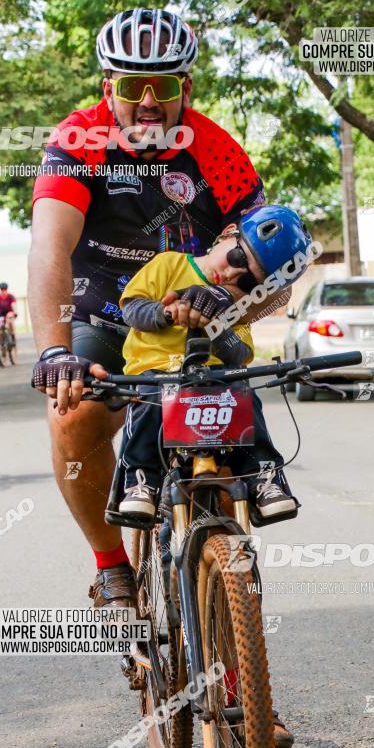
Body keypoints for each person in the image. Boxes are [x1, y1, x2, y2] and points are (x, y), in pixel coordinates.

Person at [29, 8, 282, 613]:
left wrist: (234, 301)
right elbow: (49, 247)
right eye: (130, 86)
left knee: (236, 410)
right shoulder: (78, 140)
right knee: (73, 416)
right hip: (104, 316)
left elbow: (277, 272)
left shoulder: (219, 151)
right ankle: (112, 564)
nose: (147, 102)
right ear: (106, 88)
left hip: (199, 318)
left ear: (185, 90)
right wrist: (53, 348)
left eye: (163, 87)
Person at [118, 204, 310, 519]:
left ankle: (264, 476)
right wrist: (167, 313)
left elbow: (239, 353)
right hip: (157, 376)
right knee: (147, 403)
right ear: (226, 235)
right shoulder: (169, 264)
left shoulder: (235, 308)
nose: (233, 273)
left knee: (243, 393)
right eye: (238, 258)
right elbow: (133, 308)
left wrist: (214, 325)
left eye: (248, 282)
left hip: (211, 383)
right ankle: (141, 481)